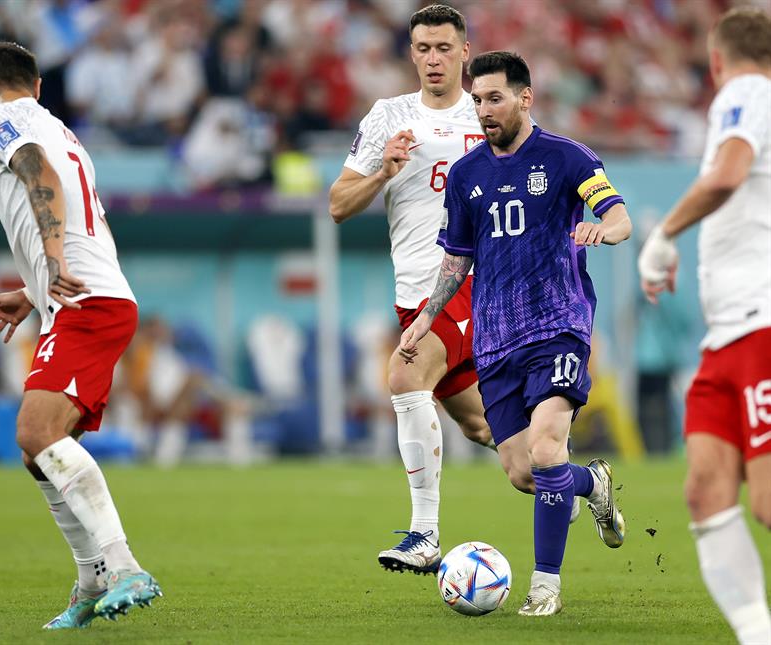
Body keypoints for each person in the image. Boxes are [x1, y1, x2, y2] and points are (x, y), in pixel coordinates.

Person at [401, 51, 631, 616]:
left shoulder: (566, 157)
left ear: (526, 97)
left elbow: (618, 214)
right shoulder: (466, 175)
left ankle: (545, 585)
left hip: (558, 326)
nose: (483, 110)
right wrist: (427, 318)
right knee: (526, 471)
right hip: (496, 340)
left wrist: (607, 230)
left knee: (548, 444)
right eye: (477, 100)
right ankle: (591, 484)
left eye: (494, 98)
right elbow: (456, 260)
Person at [0, 42, 160, 629]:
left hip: (85, 303)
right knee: (38, 453)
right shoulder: (63, 130)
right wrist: (31, 291)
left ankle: (124, 566)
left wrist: (49, 263)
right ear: (38, 87)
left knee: (33, 430)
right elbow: (84, 222)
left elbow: (38, 173)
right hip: (86, 300)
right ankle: (88, 581)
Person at [328, 4, 492, 576]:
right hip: (413, 292)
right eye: (423, 48)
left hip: (474, 283)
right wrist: (382, 173)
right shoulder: (388, 116)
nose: (433, 59)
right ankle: (570, 477)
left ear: (465, 51)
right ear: (411, 52)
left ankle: (425, 535)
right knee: (484, 428)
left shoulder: (489, 114)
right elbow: (338, 206)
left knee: (403, 374)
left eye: (444, 48)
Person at [637, 8, 771, 644]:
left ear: (717, 62)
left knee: (768, 504)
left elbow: (725, 174)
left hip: (762, 325)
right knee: (705, 490)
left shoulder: (748, 92)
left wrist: (663, 234)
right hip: (728, 337)